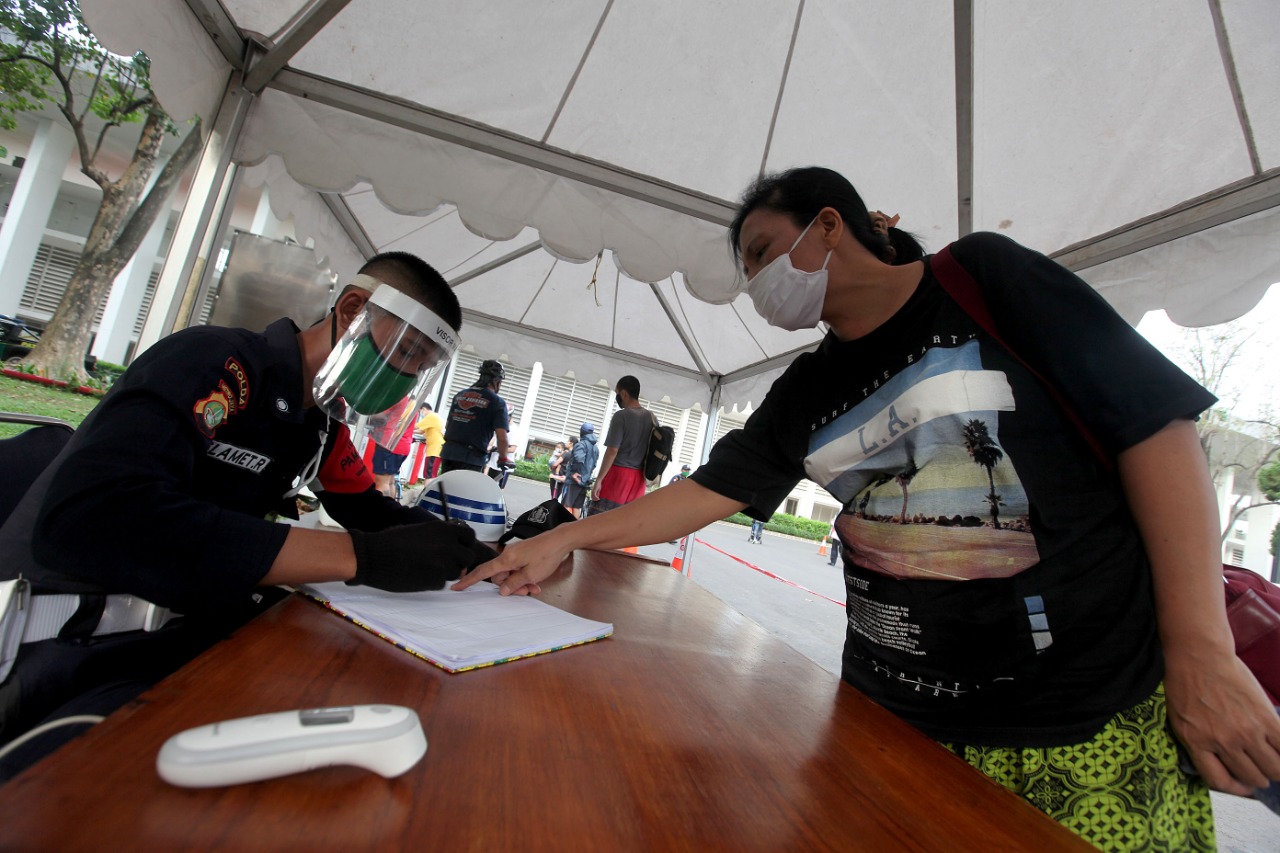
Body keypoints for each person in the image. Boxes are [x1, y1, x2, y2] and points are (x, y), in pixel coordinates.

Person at [458, 167, 1280, 850]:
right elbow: (706, 492)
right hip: (895, 723)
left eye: (760, 253)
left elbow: (1156, 428)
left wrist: (1202, 650)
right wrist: (564, 536)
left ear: (826, 226)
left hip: (1080, 721)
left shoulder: (984, 278)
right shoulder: (806, 387)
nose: (755, 284)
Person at [0, 251, 495, 781]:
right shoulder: (216, 364)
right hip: (65, 646)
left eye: (420, 369)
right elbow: (95, 518)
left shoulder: (319, 426)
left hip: (178, 631)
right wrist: (363, 558)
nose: (404, 379)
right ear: (353, 310)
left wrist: (478, 551)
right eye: (406, 354)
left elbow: (362, 508)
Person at [590, 375, 652, 514]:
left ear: (623, 393)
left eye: (617, 393)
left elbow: (612, 450)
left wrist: (599, 479)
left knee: (600, 522)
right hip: (639, 480)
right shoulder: (651, 418)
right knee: (624, 526)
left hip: (618, 476)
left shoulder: (621, 416)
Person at [439, 359, 509, 473]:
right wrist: (503, 458)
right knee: (465, 490)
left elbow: (448, 425)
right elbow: (502, 437)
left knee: (447, 488)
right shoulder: (497, 402)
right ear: (497, 381)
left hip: (449, 453)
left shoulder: (460, 395)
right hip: (472, 458)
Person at [371, 397, 414, 497]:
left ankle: (380, 509)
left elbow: (379, 415)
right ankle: (390, 509)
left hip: (389, 444)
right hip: (402, 447)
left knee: (382, 483)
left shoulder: (398, 398)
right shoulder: (412, 403)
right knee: (390, 482)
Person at [559, 423, 599, 519]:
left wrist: (574, 474)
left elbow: (578, 459)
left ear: (582, 432)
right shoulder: (595, 448)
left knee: (566, 505)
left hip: (573, 481)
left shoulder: (580, 445)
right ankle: (573, 529)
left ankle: (562, 528)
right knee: (577, 507)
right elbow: (593, 465)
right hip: (584, 481)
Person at [413, 402, 445, 480]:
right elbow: (421, 431)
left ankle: (428, 491)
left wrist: (402, 425)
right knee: (429, 474)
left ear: (423, 409)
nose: (420, 414)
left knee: (429, 475)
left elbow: (416, 426)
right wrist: (409, 431)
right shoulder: (435, 416)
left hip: (434, 450)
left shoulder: (431, 416)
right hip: (435, 449)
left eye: (419, 411)